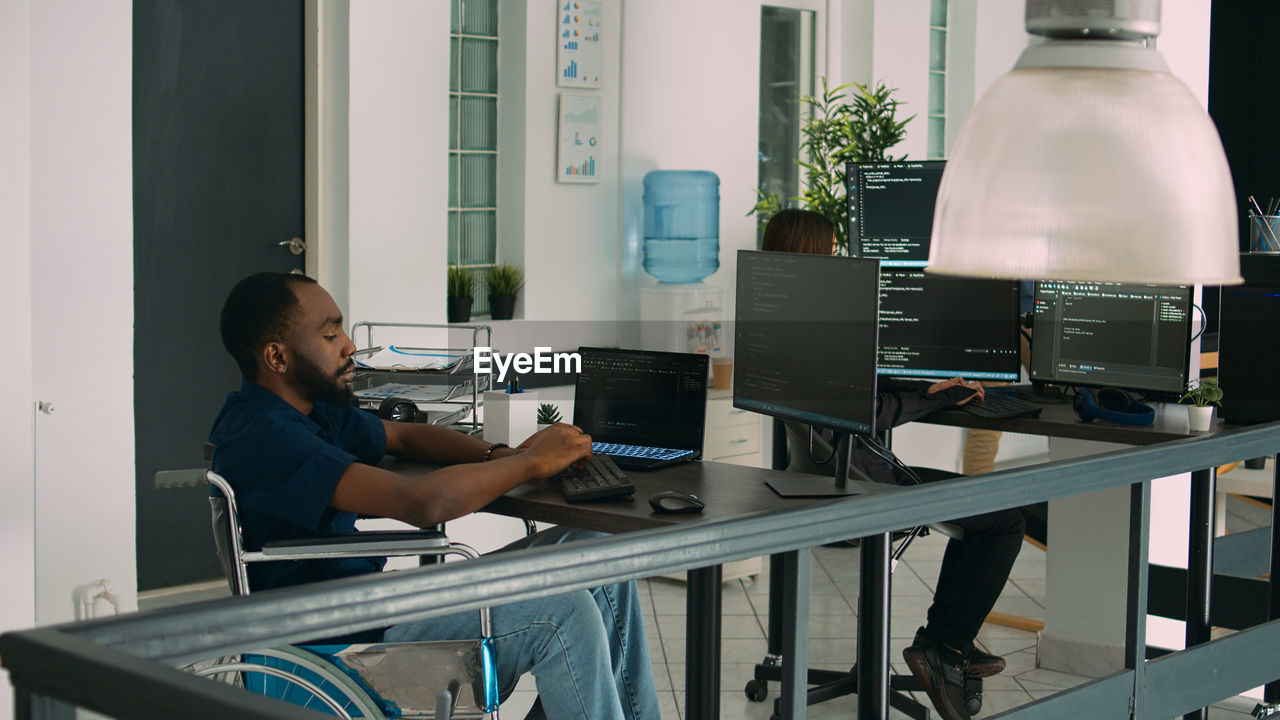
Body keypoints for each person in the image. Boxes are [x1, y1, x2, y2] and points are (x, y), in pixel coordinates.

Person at [209, 272, 659, 720]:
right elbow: (420, 502)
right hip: (348, 653)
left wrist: (501, 453)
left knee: (600, 554)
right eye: (330, 335)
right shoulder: (264, 439)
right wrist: (530, 464)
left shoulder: (310, 412)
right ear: (277, 357)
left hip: (381, 605)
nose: (348, 345)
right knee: (563, 612)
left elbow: (405, 437)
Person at [762, 208, 1026, 720]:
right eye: (834, 251)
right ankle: (944, 645)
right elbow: (867, 412)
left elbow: (862, 391)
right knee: (1005, 518)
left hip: (834, 473)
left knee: (984, 517)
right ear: (811, 255)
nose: (842, 260)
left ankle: (945, 645)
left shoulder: (783, 319)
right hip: (859, 483)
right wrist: (933, 402)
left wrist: (930, 389)